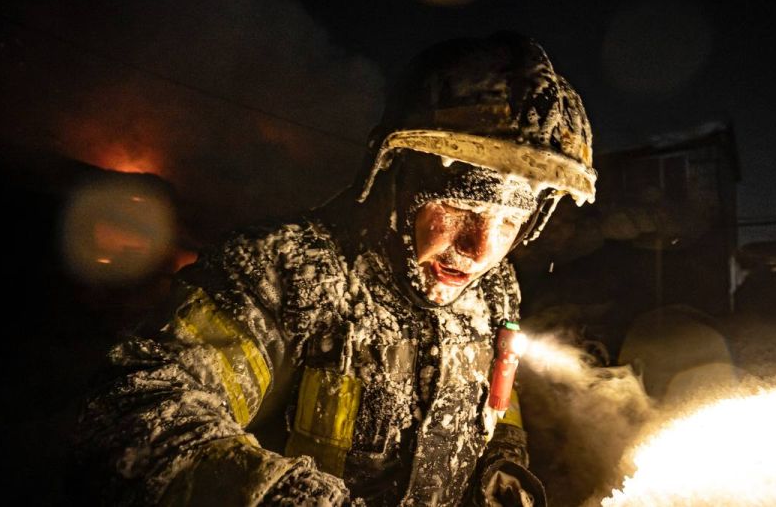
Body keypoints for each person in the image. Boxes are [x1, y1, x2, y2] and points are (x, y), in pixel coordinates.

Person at [73, 31, 596, 506]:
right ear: (396, 180)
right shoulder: (283, 271)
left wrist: (500, 464)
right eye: (459, 207)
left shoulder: (495, 295)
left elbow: (498, 402)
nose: (479, 250)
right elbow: (134, 413)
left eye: (509, 221)